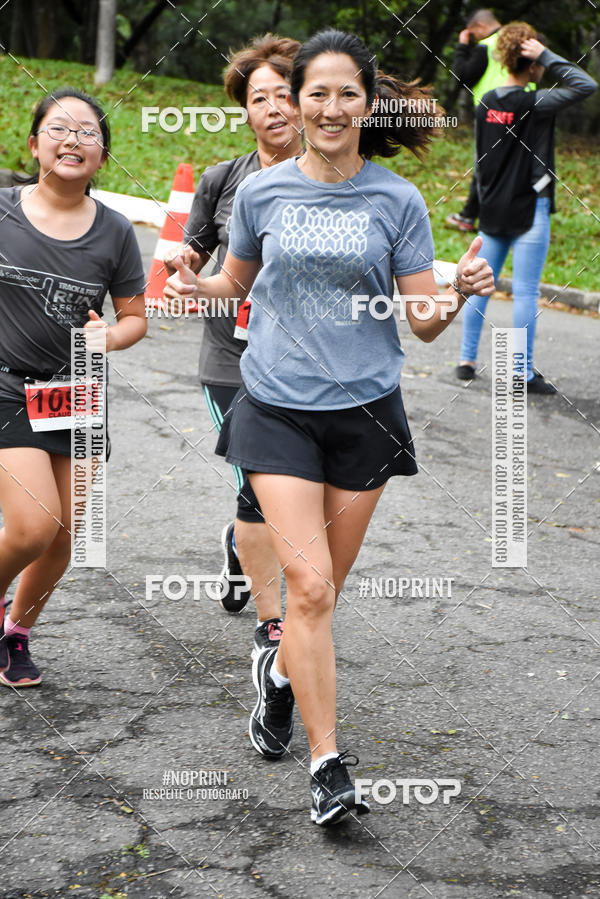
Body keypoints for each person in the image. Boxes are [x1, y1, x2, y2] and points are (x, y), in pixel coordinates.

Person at [166, 28, 494, 825]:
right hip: (276, 405)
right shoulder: (261, 193)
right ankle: (328, 764)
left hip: (365, 416)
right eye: (318, 91)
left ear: (368, 102)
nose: (332, 105)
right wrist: (195, 281)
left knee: (324, 596)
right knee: (305, 585)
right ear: (298, 98)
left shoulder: (396, 199)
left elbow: (418, 322)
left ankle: (280, 675)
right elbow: (231, 285)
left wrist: (459, 292)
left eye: (349, 91)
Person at [0, 87, 147, 687]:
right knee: (33, 526)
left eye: (88, 132)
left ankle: (16, 634)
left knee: (64, 535)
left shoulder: (115, 232)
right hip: (7, 385)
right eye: (59, 129)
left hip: (77, 391)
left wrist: (109, 339)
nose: (73, 139)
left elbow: (135, 317)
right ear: (35, 145)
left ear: (103, 157)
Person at [164, 35, 303, 660]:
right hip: (231, 358)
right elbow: (192, 246)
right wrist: (187, 264)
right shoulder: (223, 180)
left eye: (283, 93)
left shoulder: (332, 175)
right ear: (244, 112)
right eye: (259, 98)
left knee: (288, 486)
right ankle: (273, 628)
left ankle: (239, 544)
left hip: (303, 361)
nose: (273, 107)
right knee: (258, 482)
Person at [456, 23, 597, 392]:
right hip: (530, 207)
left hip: (492, 208)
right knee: (526, 291)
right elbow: (586, 85)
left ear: (503, 57)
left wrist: (472, 209)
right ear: (532, 62)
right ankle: (521, 373)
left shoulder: (485, 103)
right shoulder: (536, 103)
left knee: (478, 286)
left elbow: (479, 161)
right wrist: (547, 57)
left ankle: (466, 361)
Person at [446, 8, 533, 233]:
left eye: (474, 34)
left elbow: (461, 76)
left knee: (485, 165)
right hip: (526, 109)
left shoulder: (487, 45)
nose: (476, 38)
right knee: (520, 164)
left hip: (494, 113)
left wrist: (463, 46)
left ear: (480, 27)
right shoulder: (521, 39)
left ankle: (470, 216)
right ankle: (520, 216)